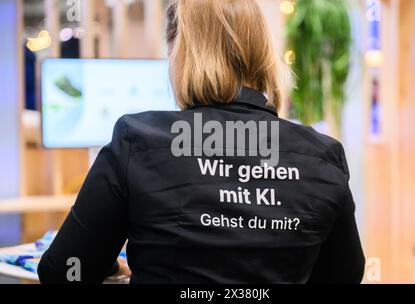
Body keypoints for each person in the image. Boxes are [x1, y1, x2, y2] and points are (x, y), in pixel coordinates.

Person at [38, 0, 365, 284]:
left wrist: (104, 257)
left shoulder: (136, 141)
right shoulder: (322, 156)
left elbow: (66, 271)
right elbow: (345, 275)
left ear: (179, 54)